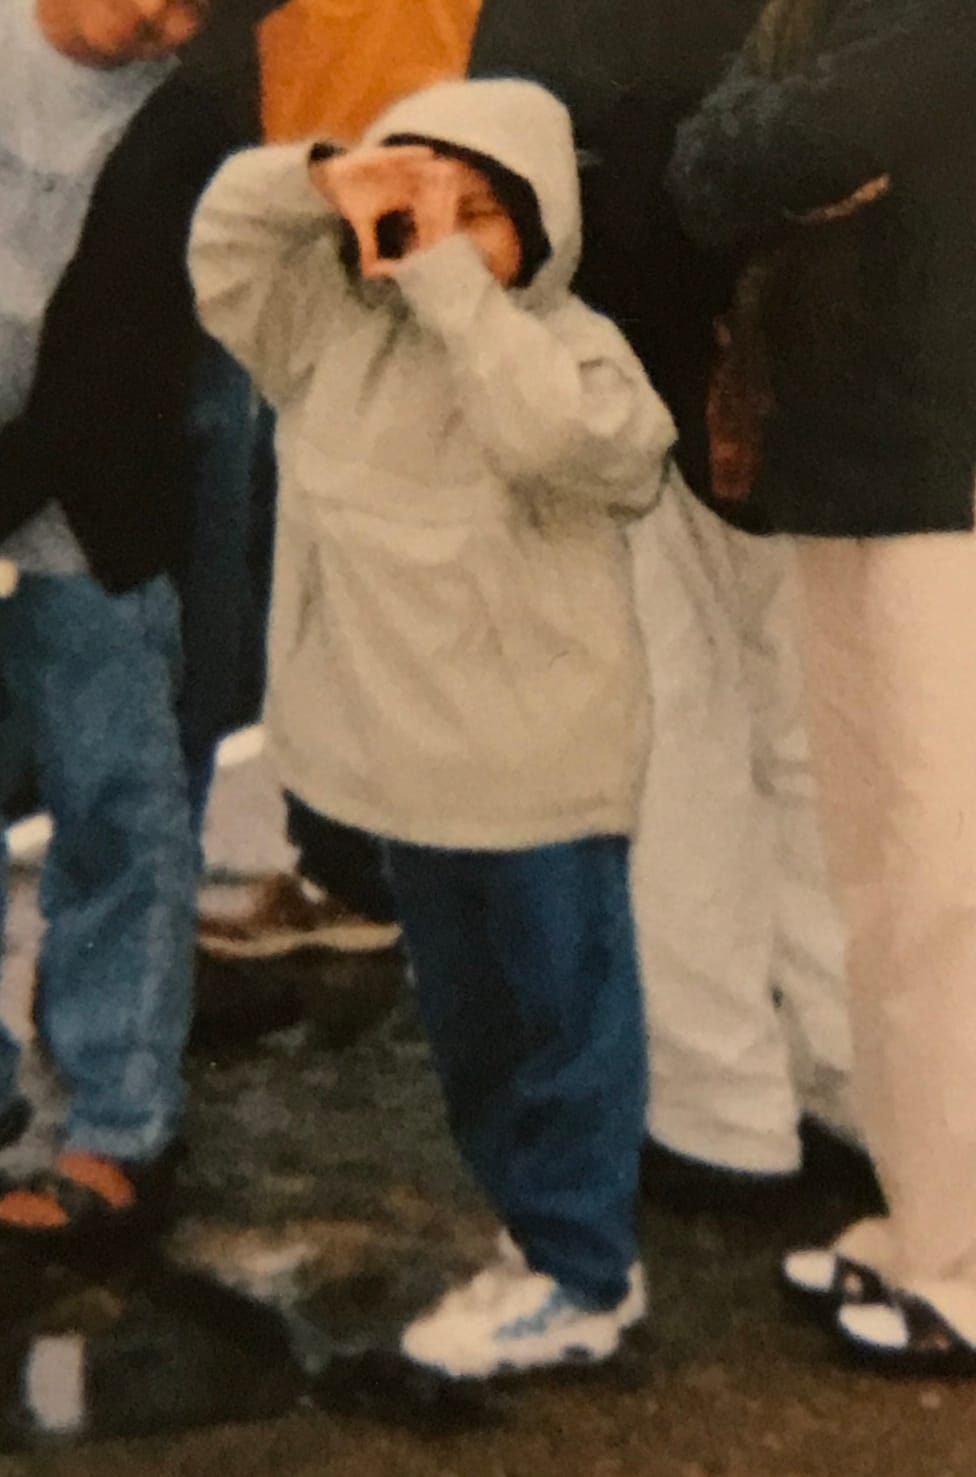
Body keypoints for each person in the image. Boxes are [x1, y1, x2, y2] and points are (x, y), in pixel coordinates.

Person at [190, 76, 675, 1377]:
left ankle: (582, 1277)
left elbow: (565, 444)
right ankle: (539, 1241)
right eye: (424, 206)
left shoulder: (573, 348)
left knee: (563, 1027)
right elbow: (221, 248)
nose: (444, 234)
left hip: (542, 782)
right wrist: (328, 178)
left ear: (540, 227)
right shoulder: (328, 337)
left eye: (482, 213)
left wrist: (456, 288)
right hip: (410, 788)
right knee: (470, 1039)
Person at [469, 0, 860, 1206]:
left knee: (679, 745)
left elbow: (520, 171)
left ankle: (718, 1111)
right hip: (824, 388)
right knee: (814, 747)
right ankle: (841, 1080)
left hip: (637, 379)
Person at [666, 0, 976, 1369]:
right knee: (879, 878)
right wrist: (791, 157)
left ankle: (962, 1263)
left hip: (944, 483)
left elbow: (819, 128)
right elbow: (703, 173)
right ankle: (933, 1222)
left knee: (942, 883)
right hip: (850, 468)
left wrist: (793, 152)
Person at [0, 0, 256, 1243]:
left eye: (198, 7)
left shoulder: (192, 129)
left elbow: (113, 367)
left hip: (90, 507)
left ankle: (120, 1122)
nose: (168, 20)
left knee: (119, 805)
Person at [196, 0, 485, 963]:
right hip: (370, 199)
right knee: (337, 564)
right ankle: (371, 864)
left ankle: (371, 875)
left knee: (352, 567)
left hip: (369, 211)